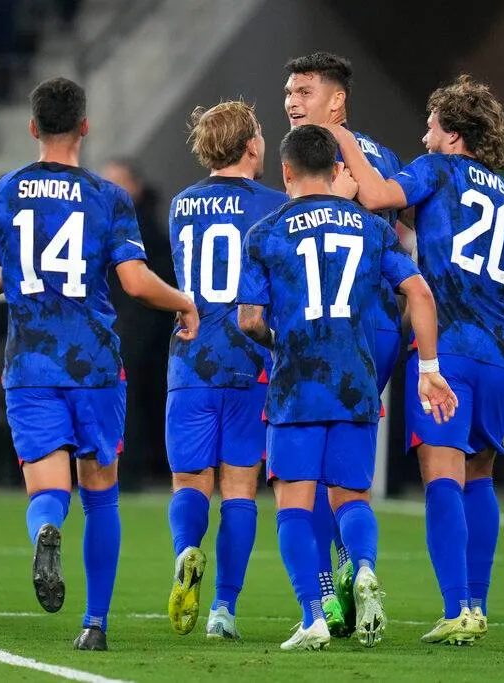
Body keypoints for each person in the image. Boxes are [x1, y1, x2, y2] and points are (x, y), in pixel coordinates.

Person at [0, 76, 199, 651]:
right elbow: (134, 281)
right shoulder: (109, 198)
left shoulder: (1, 192)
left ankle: (47, 530)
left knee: (47, 490)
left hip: (30, 367)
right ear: (85, 128)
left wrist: (24, 276)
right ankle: (94, 625)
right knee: (101, 496)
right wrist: (184, 301)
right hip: (94, 364)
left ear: (32, 127)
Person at [334, 74, 504, 644]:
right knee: (481, 475)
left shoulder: (438, 171)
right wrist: (500, 338)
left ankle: (456, 610)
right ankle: (477, 605)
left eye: (431, 126)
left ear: (453, 134)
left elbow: (376, 196)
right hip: (500, 357)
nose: (424, 136)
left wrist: (337, 131)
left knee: (442, 478)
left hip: (445, 350)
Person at [237, 124, 457, 650]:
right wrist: (428, 368)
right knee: (351, 497)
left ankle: (314, 615)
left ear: (287, 172)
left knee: (293, 501)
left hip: (295, 384)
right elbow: (419, 292)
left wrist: (278, 342)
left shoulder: (266, 233)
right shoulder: (373, 229)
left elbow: (248, 320)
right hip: (356, 381)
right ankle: (361, 569)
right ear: (337, 171)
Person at [283, 50, 405, 638]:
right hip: (379, 331)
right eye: (289, 91)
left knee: (306, 471)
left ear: (338, 102)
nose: (292, 101)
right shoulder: (383, 161)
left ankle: (327, 594)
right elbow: (403, 238)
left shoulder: (319, 160)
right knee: (345, 473)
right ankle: (357, 572)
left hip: (333, 333)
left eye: (305, 91)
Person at [162, 101, 287, 640]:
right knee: (239, 487)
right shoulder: (278, 206)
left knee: (190, 480)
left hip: (190, 359)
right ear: (251, 145)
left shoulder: (180, 205)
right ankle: (222, 610)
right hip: (250, 362)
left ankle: (188, 549)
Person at [102, 157, 175, 486]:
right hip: (125, 323)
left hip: (137, 325)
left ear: (135, 186)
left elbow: (147, 278)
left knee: (129, 398)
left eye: (117, 182)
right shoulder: (116, 221)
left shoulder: (141, 225)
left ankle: (129, 469)